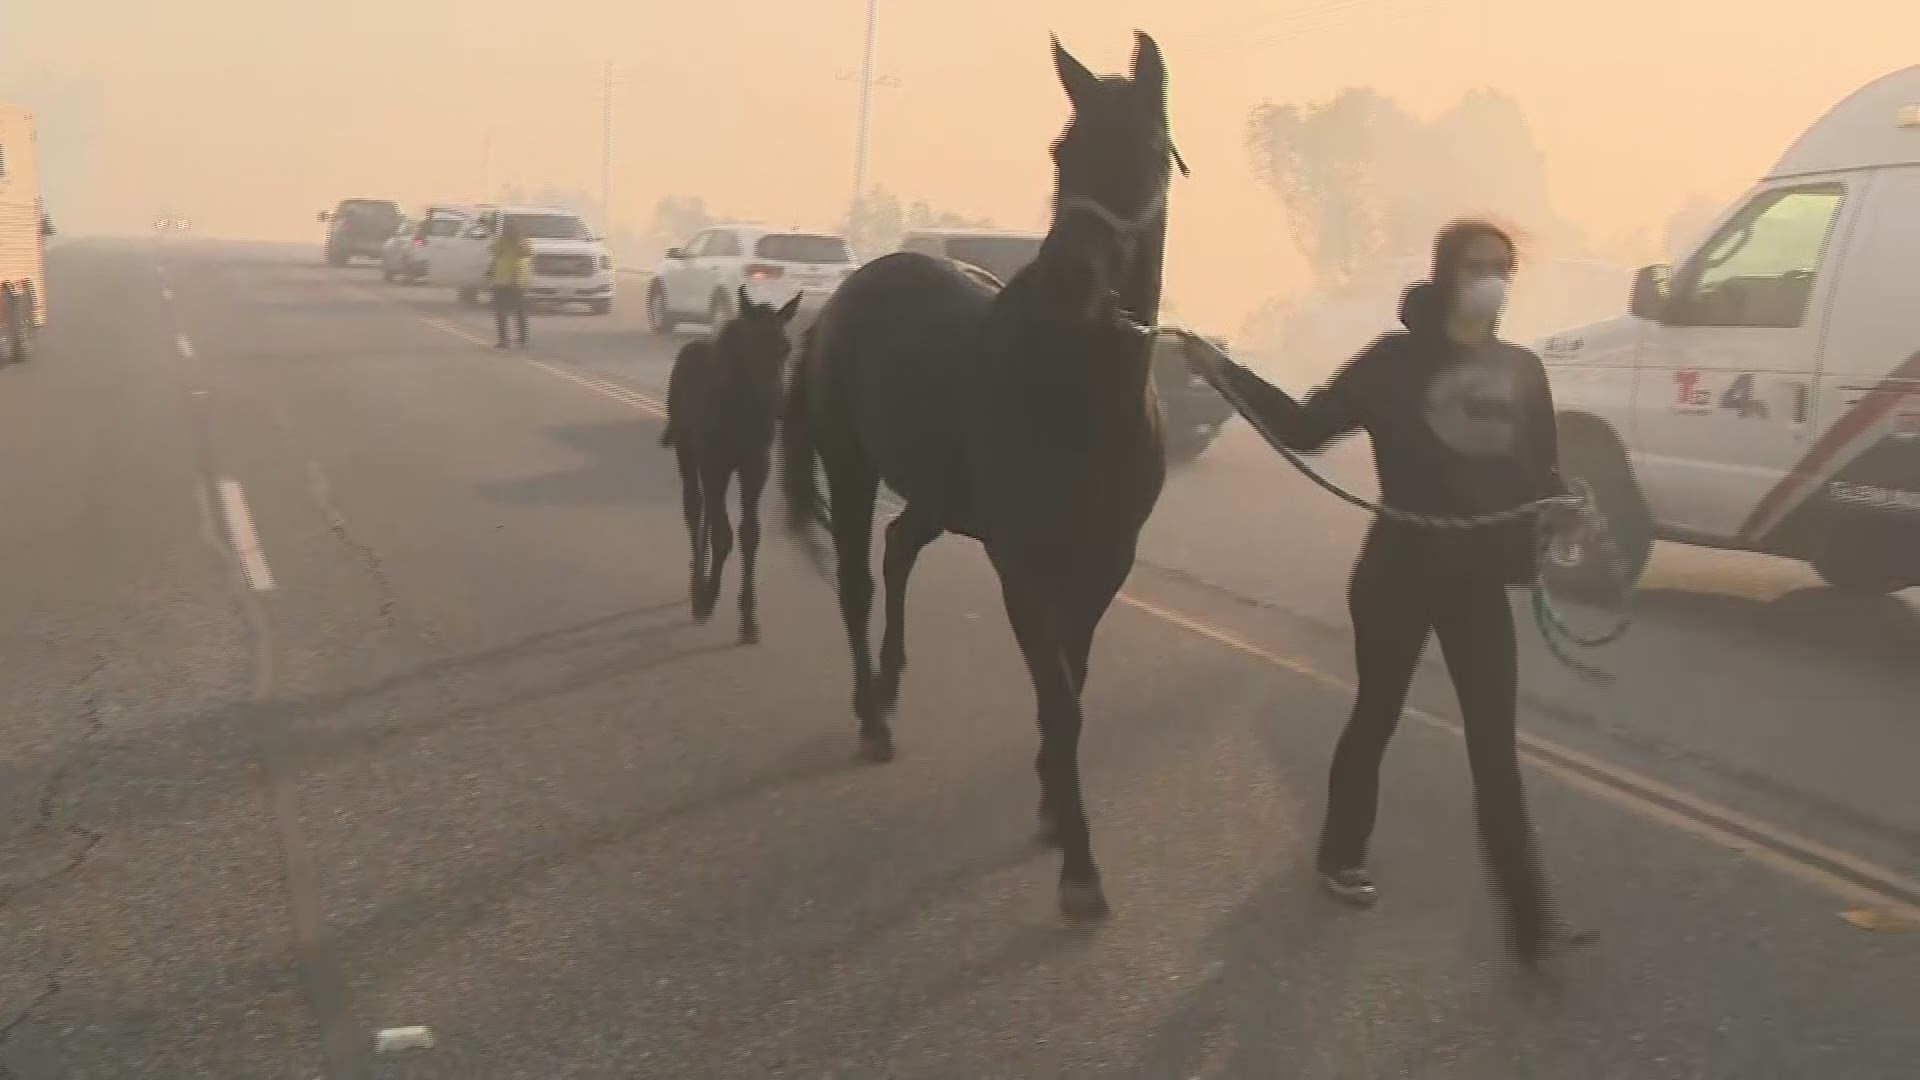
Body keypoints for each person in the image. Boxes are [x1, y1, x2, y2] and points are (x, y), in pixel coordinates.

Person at [1190, 219, 1589, 964]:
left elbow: (1543, 476)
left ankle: (1533, 920)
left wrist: (1564, 512)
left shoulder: (1523, 371)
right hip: (1398, 574)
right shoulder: (1393, 363)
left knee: (1495, 751)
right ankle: (1341, 856)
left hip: (1476, 585)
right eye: (1477, 267)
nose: (1492, 280)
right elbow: (1307, 428)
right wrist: (1223, 370)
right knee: (1376, 715)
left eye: (1502, 267)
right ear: (1444, 278)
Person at [488, 216, 533, 349]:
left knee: (505, 311)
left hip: (507, 280)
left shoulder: (515, 241)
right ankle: (518, 338)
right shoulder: (520, 241)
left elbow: (494, 251)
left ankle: (508, 339)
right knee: (515, 311)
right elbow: (528, 253)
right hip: (513, 280)